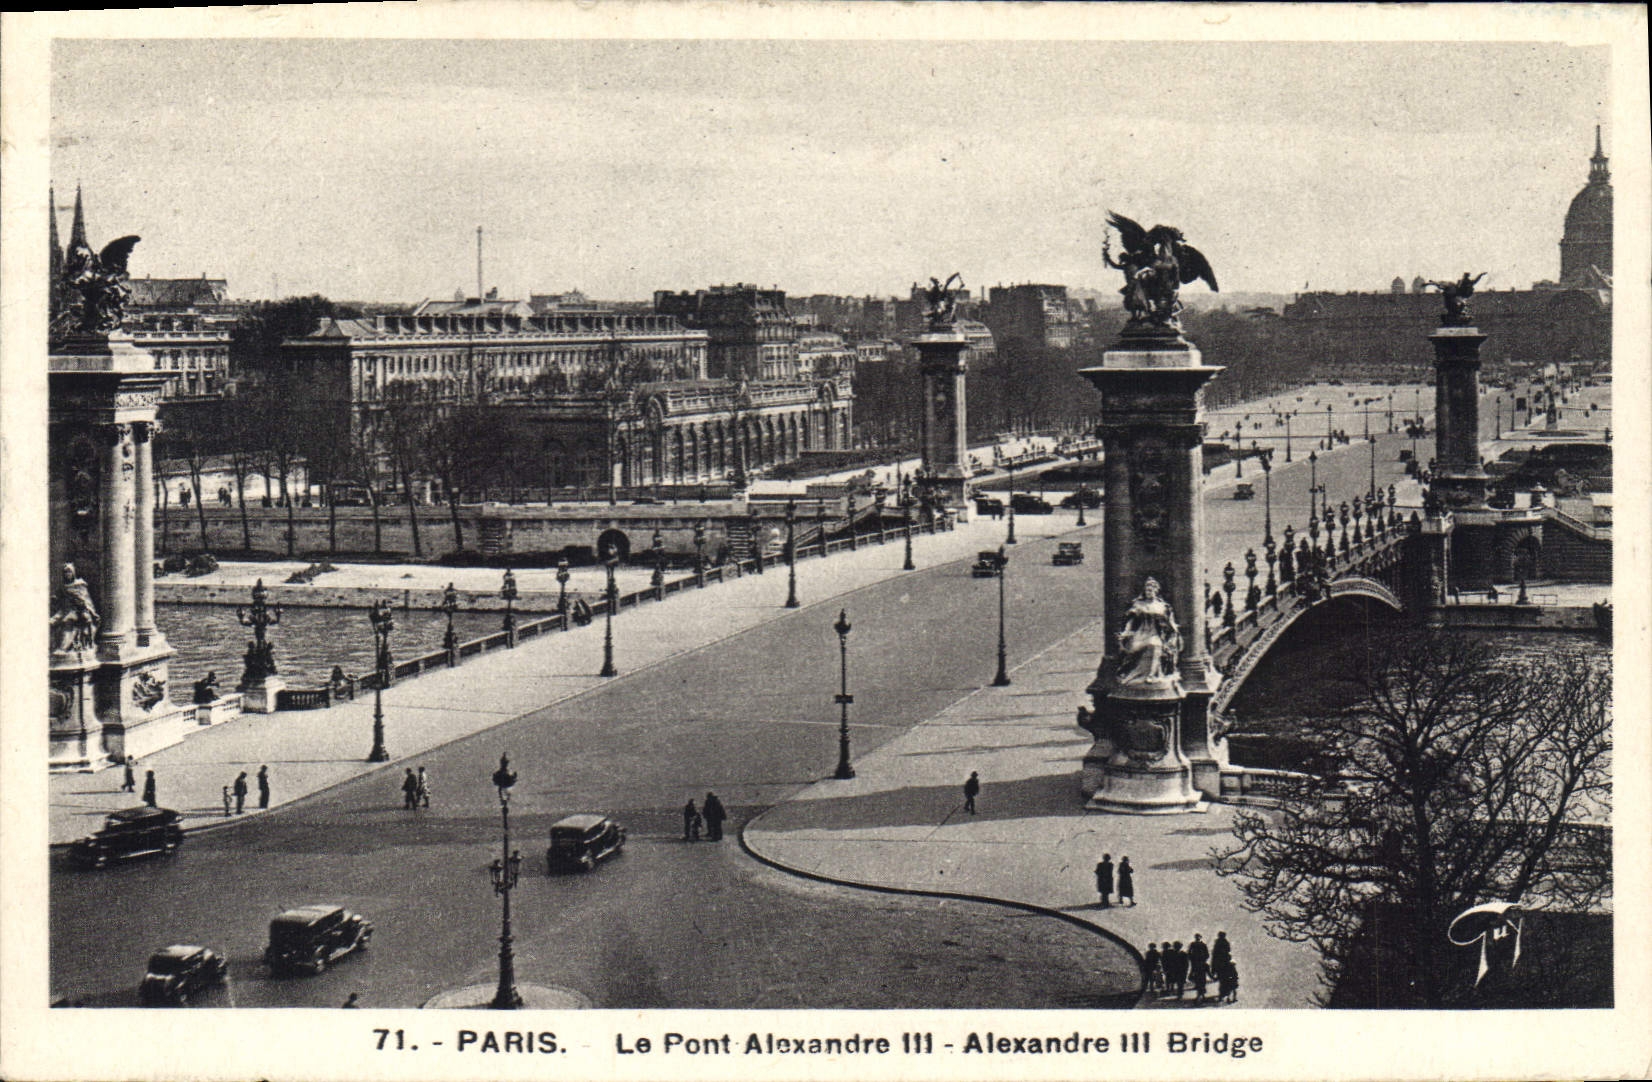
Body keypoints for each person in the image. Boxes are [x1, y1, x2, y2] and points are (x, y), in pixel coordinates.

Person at [1187, 933, 1211, 1004]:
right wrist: (1192, 958)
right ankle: (1200, 993)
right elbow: (1189, 952)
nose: (1197, 938)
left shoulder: (1203, 945)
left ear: (1200, 937)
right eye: (1196, 937)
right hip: (1195, 962)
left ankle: (1200, 995)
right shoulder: (1192, 944)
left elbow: (1207, 954)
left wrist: (1203, 959)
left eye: (1198, 937)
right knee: (1193, 976)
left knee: (1201, 978)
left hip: (1201, 962)